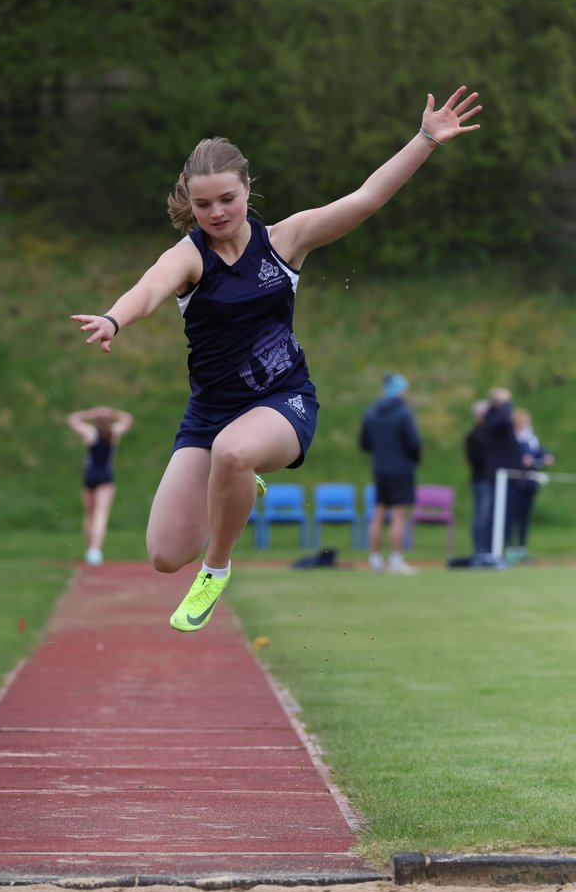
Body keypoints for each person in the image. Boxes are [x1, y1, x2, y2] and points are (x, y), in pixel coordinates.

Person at [71, 85, 481, 630]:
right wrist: (115, 318)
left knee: (235, 451)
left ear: (247, 189)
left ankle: (216, 571)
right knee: (166, 554)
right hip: (211, 413)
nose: (215, 212)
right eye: (202, 204)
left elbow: (363, 200)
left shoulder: (285, 242)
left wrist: (425, 140)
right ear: (188, 204)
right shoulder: (189, 256)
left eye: (226, 199)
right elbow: (149, 288)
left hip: (283, 400)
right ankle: (237, 482)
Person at [359, 373, 422, 574]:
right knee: (399, 514)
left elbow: (364, 443)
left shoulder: (371, 412)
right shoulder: (404, 412)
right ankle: (395, 559)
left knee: (378, 512)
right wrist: (412, 459)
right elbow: (414, 443)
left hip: (380, 468)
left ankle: (375, 559)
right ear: (400, 390)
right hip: (401, 468)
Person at [67, 405, 134, 565]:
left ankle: (89, 549)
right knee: (100, 515)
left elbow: (73, 419)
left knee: (89, 515)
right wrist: (112, 413)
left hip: (89, 475)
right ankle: (94, 551)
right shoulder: (113, 433)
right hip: (105, 476)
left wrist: (90, 413)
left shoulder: (90, 433)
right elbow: (127, 419)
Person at [507, 408, 555, 560]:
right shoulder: (512, 439)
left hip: (529, 484)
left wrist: (547, 456)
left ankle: (521, 548)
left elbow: (539, 452)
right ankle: (509, 547)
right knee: (510, 516)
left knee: (524, 517)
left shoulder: (531, 439)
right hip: (515, 484)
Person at [481, 386, 521, 553]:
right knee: (493, 514)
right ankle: (489, 549)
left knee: (508, 513)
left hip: (509, 473)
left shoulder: (500, 416)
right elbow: (503, 420)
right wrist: (505, 403)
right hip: (498, 474)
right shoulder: (491, 416)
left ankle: (504, 547)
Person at [464, 399, 491, 554]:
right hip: (481, 480)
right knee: (481, 517)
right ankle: (480, 549)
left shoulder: (490, 434)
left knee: (488, 517)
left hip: (490, 480)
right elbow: (474, 459)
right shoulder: (474, 435)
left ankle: (488, 548)